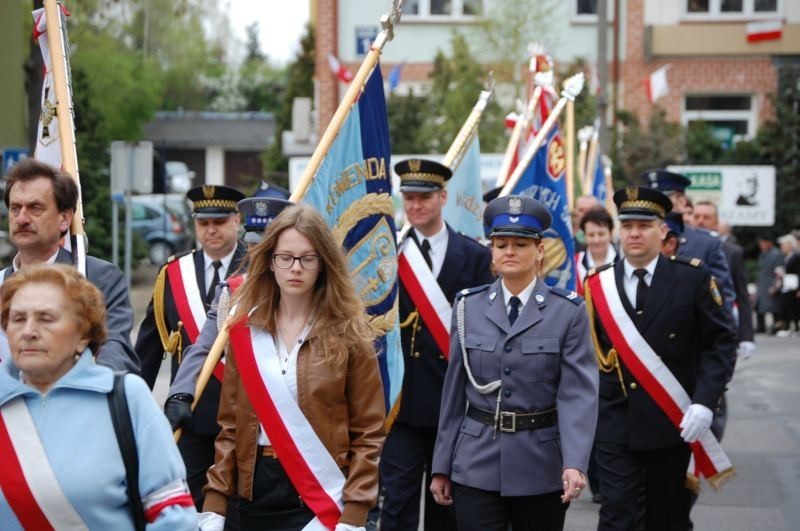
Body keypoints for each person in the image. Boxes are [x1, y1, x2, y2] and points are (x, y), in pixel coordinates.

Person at [198, 204, 386, 531]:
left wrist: (355, 510)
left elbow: (369, 433)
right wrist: (216, 501)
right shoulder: (244, 332)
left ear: (323, 264)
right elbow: (230, 426)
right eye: (285, 257)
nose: (295, 268)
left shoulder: (350, 334)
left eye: (307, 258)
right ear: (270, 262)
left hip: (319, 491)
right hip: (255, 488)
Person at [429, 195, 598, 531]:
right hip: (476, 462)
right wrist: (441, 465)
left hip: (541, 464)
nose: (509, 251)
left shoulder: (568, 311)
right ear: (491, 250)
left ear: (539, 251)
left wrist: (575, 462)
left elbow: (578, 394)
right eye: (501, 243)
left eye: (520, 244)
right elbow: (452, 394)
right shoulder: (467, 307)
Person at [0, 264, 197, 529]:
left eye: (46, 318)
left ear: (84, 334)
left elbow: (174, 517)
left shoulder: (124, 397)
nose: (29, 331)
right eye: (18, 319)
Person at [586, 186, 736, 531]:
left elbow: (720, 344)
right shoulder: (597, 285)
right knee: (617, 515)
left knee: (667, 517)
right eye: (628, 226)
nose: (635, 233)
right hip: (615, 421)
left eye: (644, 225)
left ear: (662, 229)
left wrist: (703, 402)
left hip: (672, 420)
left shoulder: (691, 279)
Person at [381, 158, 493, 531]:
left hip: (454, 401)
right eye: (409, 198)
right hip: (404, 402)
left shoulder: (475, 256)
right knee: (396, 502)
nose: (415, 206)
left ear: (442, 197)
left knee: (447, 502)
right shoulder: (389, 257)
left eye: (424, 198)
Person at [135, 184, 246, 511]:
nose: (211, 230)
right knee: (190, 506)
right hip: (192, 413)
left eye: (220, 221)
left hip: (247, 412)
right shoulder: (172, 273)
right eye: (203, 222)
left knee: (241, 507)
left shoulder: (260, 267)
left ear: (236, 220)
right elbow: (150, 347)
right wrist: (132, 406)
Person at [164, 196, 294, 430]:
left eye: (267, 247)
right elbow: (204, 346)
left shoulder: (309, 291)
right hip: (247, 415)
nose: (258, 253)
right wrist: (180, 393)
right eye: (253, 245)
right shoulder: (232, 293)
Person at [2, 158, 137, 372]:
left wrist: (85, 388)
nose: (22, 219)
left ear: (64, 218)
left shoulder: (97, 278)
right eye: (15, 208)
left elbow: (115, 348)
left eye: (35, 208)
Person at [643, 169, 736, 320]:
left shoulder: (706, 243)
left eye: (663, 198)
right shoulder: (637, 240)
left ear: (681, 202)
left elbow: (723, 298)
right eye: (652, 198)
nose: (655, 203)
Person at [693, 200, 755, 358]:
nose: (701, 220)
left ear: (716, 223)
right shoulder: (679, 245)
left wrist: (746, 336)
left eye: (706, 217)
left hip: (719, 327)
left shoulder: (732, 252)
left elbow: (741, 295)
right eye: (697, 216)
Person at [575, 207, 617, 295]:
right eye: (591, 235)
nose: (596, 240)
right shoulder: (575, 263)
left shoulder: (623, 261)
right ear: (584, 236)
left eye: (601, 234)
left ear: (611, 233)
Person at [755, 234, 783, 335]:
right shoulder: (763, 253)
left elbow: (779, 272)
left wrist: (776, 286)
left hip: (771, 284)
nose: (761, 245)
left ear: (769, 243)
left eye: (763, 242)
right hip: (762, 284)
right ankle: (760, 327)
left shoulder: (776, 254)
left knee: (774, 308)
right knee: (759, 306)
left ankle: (777, 327)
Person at [776, 234, 800, 336]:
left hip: (794, 286)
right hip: (787, 286)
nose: (782, 247)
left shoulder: (796, 257)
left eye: (784, 245)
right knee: (788, 307)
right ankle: (790, 326)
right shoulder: (786, 257)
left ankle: (795, 327)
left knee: (794, 308)